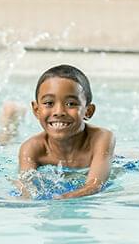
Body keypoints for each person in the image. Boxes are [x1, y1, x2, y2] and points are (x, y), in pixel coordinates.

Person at [16, 64, 115, 199]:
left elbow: (95, 185)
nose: (59, 112)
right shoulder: (31, 148)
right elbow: (26, 189)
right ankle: (11, 123)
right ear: (36, 110)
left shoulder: (101, 138)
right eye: (49, 103)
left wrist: (64, 199)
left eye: (71, 104)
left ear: (88, 111)